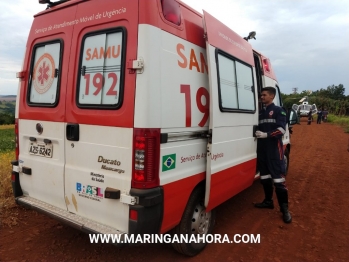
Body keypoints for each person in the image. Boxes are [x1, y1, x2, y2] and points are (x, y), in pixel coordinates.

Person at [255, 87, 292, 223]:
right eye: (261, 95)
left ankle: (285, 210)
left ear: (271, 96)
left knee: (278, 181)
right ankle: (268, 201)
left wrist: (267, 134)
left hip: (274, 151)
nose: (262, 97)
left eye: (264, 95)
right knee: (264, 178)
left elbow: (282, 129)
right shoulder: (260, 112)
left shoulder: (278, 110)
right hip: (262, 150)